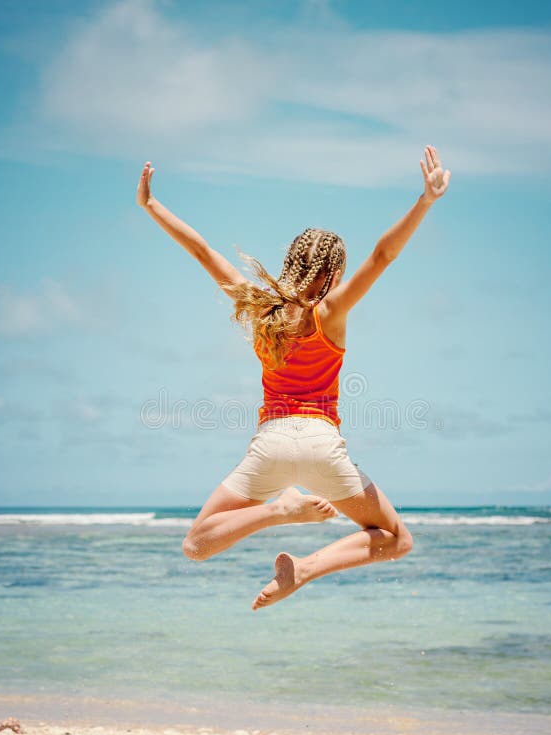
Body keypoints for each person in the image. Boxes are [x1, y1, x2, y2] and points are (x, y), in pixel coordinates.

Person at [136, 146, 451, 610]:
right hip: (322, 444)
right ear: (334, 273)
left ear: (291, 261)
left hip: (271, 445)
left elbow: (202, 251)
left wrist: (150, 205)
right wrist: (425, 200)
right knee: (395, 539)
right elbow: (383, 255)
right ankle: (305, 569)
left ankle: (277, 512)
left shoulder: (260, 308)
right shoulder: (331, 312)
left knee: (196, 544)